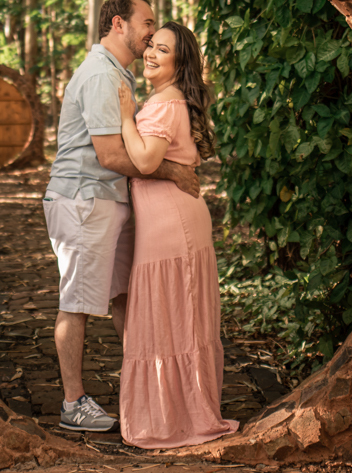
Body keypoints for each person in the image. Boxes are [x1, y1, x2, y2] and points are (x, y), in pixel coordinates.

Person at [43, 0, 200, 432]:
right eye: (146, 21)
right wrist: (172, 171)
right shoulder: (98, 76)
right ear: (118, 24)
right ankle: (73, 403)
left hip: (108, 201)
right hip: (83, 200)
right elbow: (111, 154)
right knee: (76, 302)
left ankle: (156, 387)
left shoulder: (120, 75)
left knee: (125, 298)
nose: (152, 31)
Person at [117, 22, 239, 449]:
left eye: (161, 49)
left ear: (178, 62)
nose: (150, 52)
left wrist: (123, 117)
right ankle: (177, 412)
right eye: (151, 44)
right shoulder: (165, 99)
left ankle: (178, 418)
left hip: (173, 226)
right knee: (171, 319)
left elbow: (148, 160)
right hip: (170, 221)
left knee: (173, 319)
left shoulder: (167, 103)